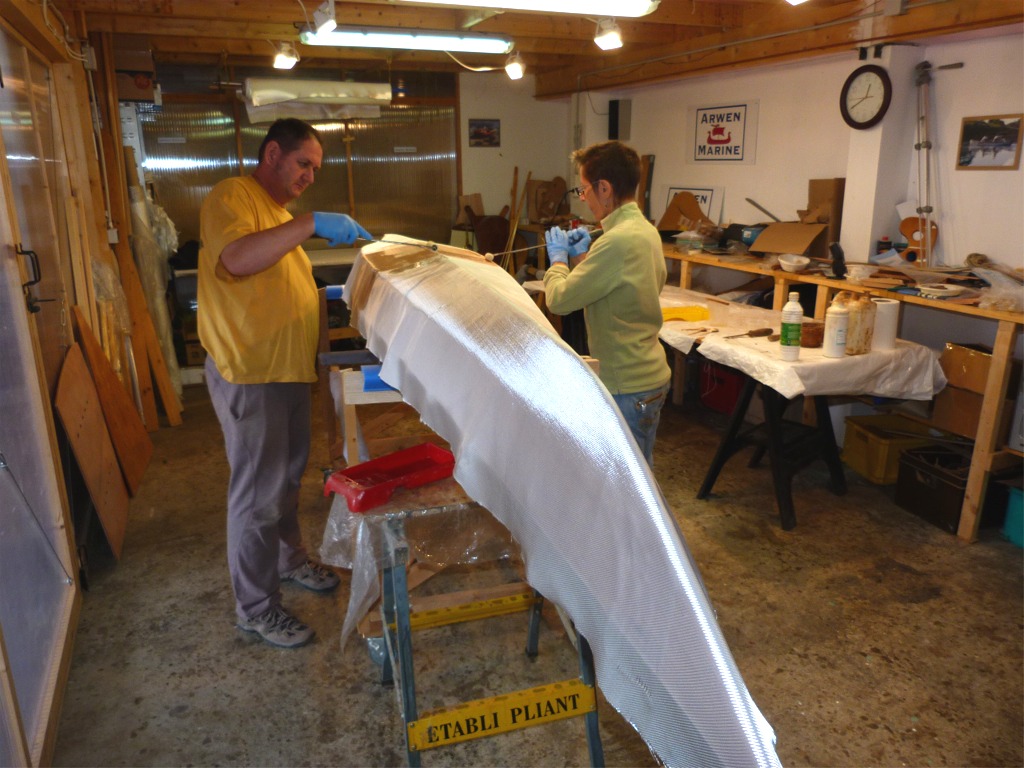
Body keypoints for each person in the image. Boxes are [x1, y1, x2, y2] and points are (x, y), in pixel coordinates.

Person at [198, 118, 372, 648]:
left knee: (284, 481)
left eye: (316, 169)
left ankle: (289, 559)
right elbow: (236, 257)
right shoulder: (234, 196)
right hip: (252, 373)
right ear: (272, 153)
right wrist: (313, 222)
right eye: (304, 164)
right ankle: (255, 607)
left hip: (287, 373)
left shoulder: (276, 215)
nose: (309, 177)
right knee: (257, 494)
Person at [542, 140, 671, 467]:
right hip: (646, 374)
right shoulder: (644, 230)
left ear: (604, 188)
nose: (583, 199)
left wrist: (558, 262)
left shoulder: (617, 241)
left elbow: (559, 300)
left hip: (627, 384)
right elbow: (620, 289)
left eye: (584, 190)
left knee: (629, 488)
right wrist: (584, 258)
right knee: (638, 474)